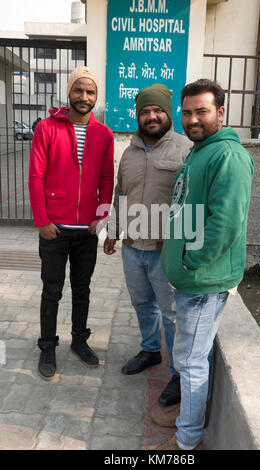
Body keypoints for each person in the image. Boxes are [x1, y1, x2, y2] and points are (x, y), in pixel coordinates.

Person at [149, 79, 254, 450]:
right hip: (191, 279)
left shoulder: (229, 156)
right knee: (189, 355)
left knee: (191, 363)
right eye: (188, 112)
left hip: (203, 282)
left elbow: (226, 224)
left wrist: (190, 262)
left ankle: (187, 442)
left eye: (202, 111)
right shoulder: (200, 150)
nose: (193, 119)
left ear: (221, 113)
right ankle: (187, 422)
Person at [104, 84, 191, 407]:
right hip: (132, 247)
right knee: (142, 304)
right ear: (137, 116)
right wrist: (112, 231)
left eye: (157, 111)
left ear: (169, 114)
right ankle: (151, 350)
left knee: (171, 314)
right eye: (144, 111)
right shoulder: (129, 150)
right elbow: (120, 193)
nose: (151, 116)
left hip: (165, 251)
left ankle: (180, 373)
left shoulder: (185, 149)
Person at [28, 66, 114, 381]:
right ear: (69, 91)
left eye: (90, 92)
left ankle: (79, 341)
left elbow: (107, 179)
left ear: (96, 96)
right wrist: (41, 219)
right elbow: (35, 175)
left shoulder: (103, 134)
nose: (84, 97)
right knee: (51, 290)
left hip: (86, 230)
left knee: (82, 288)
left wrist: (102, 217)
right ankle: (48, 346)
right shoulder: (47, 128)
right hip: (53, 228)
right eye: (78, 90)